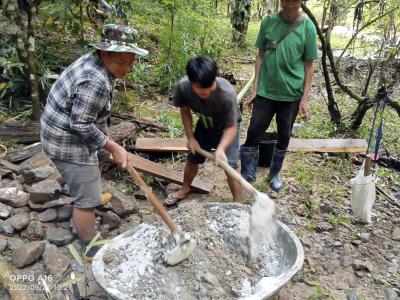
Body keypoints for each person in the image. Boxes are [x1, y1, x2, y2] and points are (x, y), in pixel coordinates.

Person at [40, 24, 148, 260]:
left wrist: (106, 145)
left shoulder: (97, 63)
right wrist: (113, 145)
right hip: (64, 139)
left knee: (100, 155)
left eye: (131, 62)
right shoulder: (95, 80)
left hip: (68, 127)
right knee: (86, 200)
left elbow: (91, 119)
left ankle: (91, 191)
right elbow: (80, 126)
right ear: (104, 53)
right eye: (122, 62)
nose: (128, 68)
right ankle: (89, 245)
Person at [241, 0, 317, 192]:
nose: (289, 2)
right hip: (266, 91)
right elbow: (260, 55)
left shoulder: (307, 26)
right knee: (254, 131)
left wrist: (305, 98)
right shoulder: (268, 21)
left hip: (291, 94)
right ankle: (247, 175)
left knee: (284, 135)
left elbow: (309, 66)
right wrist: (256, 88)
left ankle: (274, 174)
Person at [164, 56, 242, 206]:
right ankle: (185, 189)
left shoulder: (226, 93)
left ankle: (238, 204)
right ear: (191, 82)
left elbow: (232, 126)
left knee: (231, 167)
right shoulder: (183, 87)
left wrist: (220, 149)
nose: (206, 91)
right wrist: (190, 137)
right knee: (192, 160)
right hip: (205, 124)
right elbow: (185, 110)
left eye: (209, 86)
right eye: (200, 87)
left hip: (227, 127)